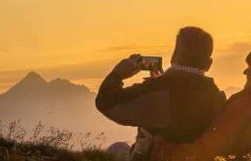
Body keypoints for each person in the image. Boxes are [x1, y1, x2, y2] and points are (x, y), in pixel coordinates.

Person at [95, 27, 226, 154]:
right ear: (209, 64)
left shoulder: (158, 89)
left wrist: (117, 74)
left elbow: (106, 103)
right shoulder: (216, 96)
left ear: (173, 57)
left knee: (117, 148)